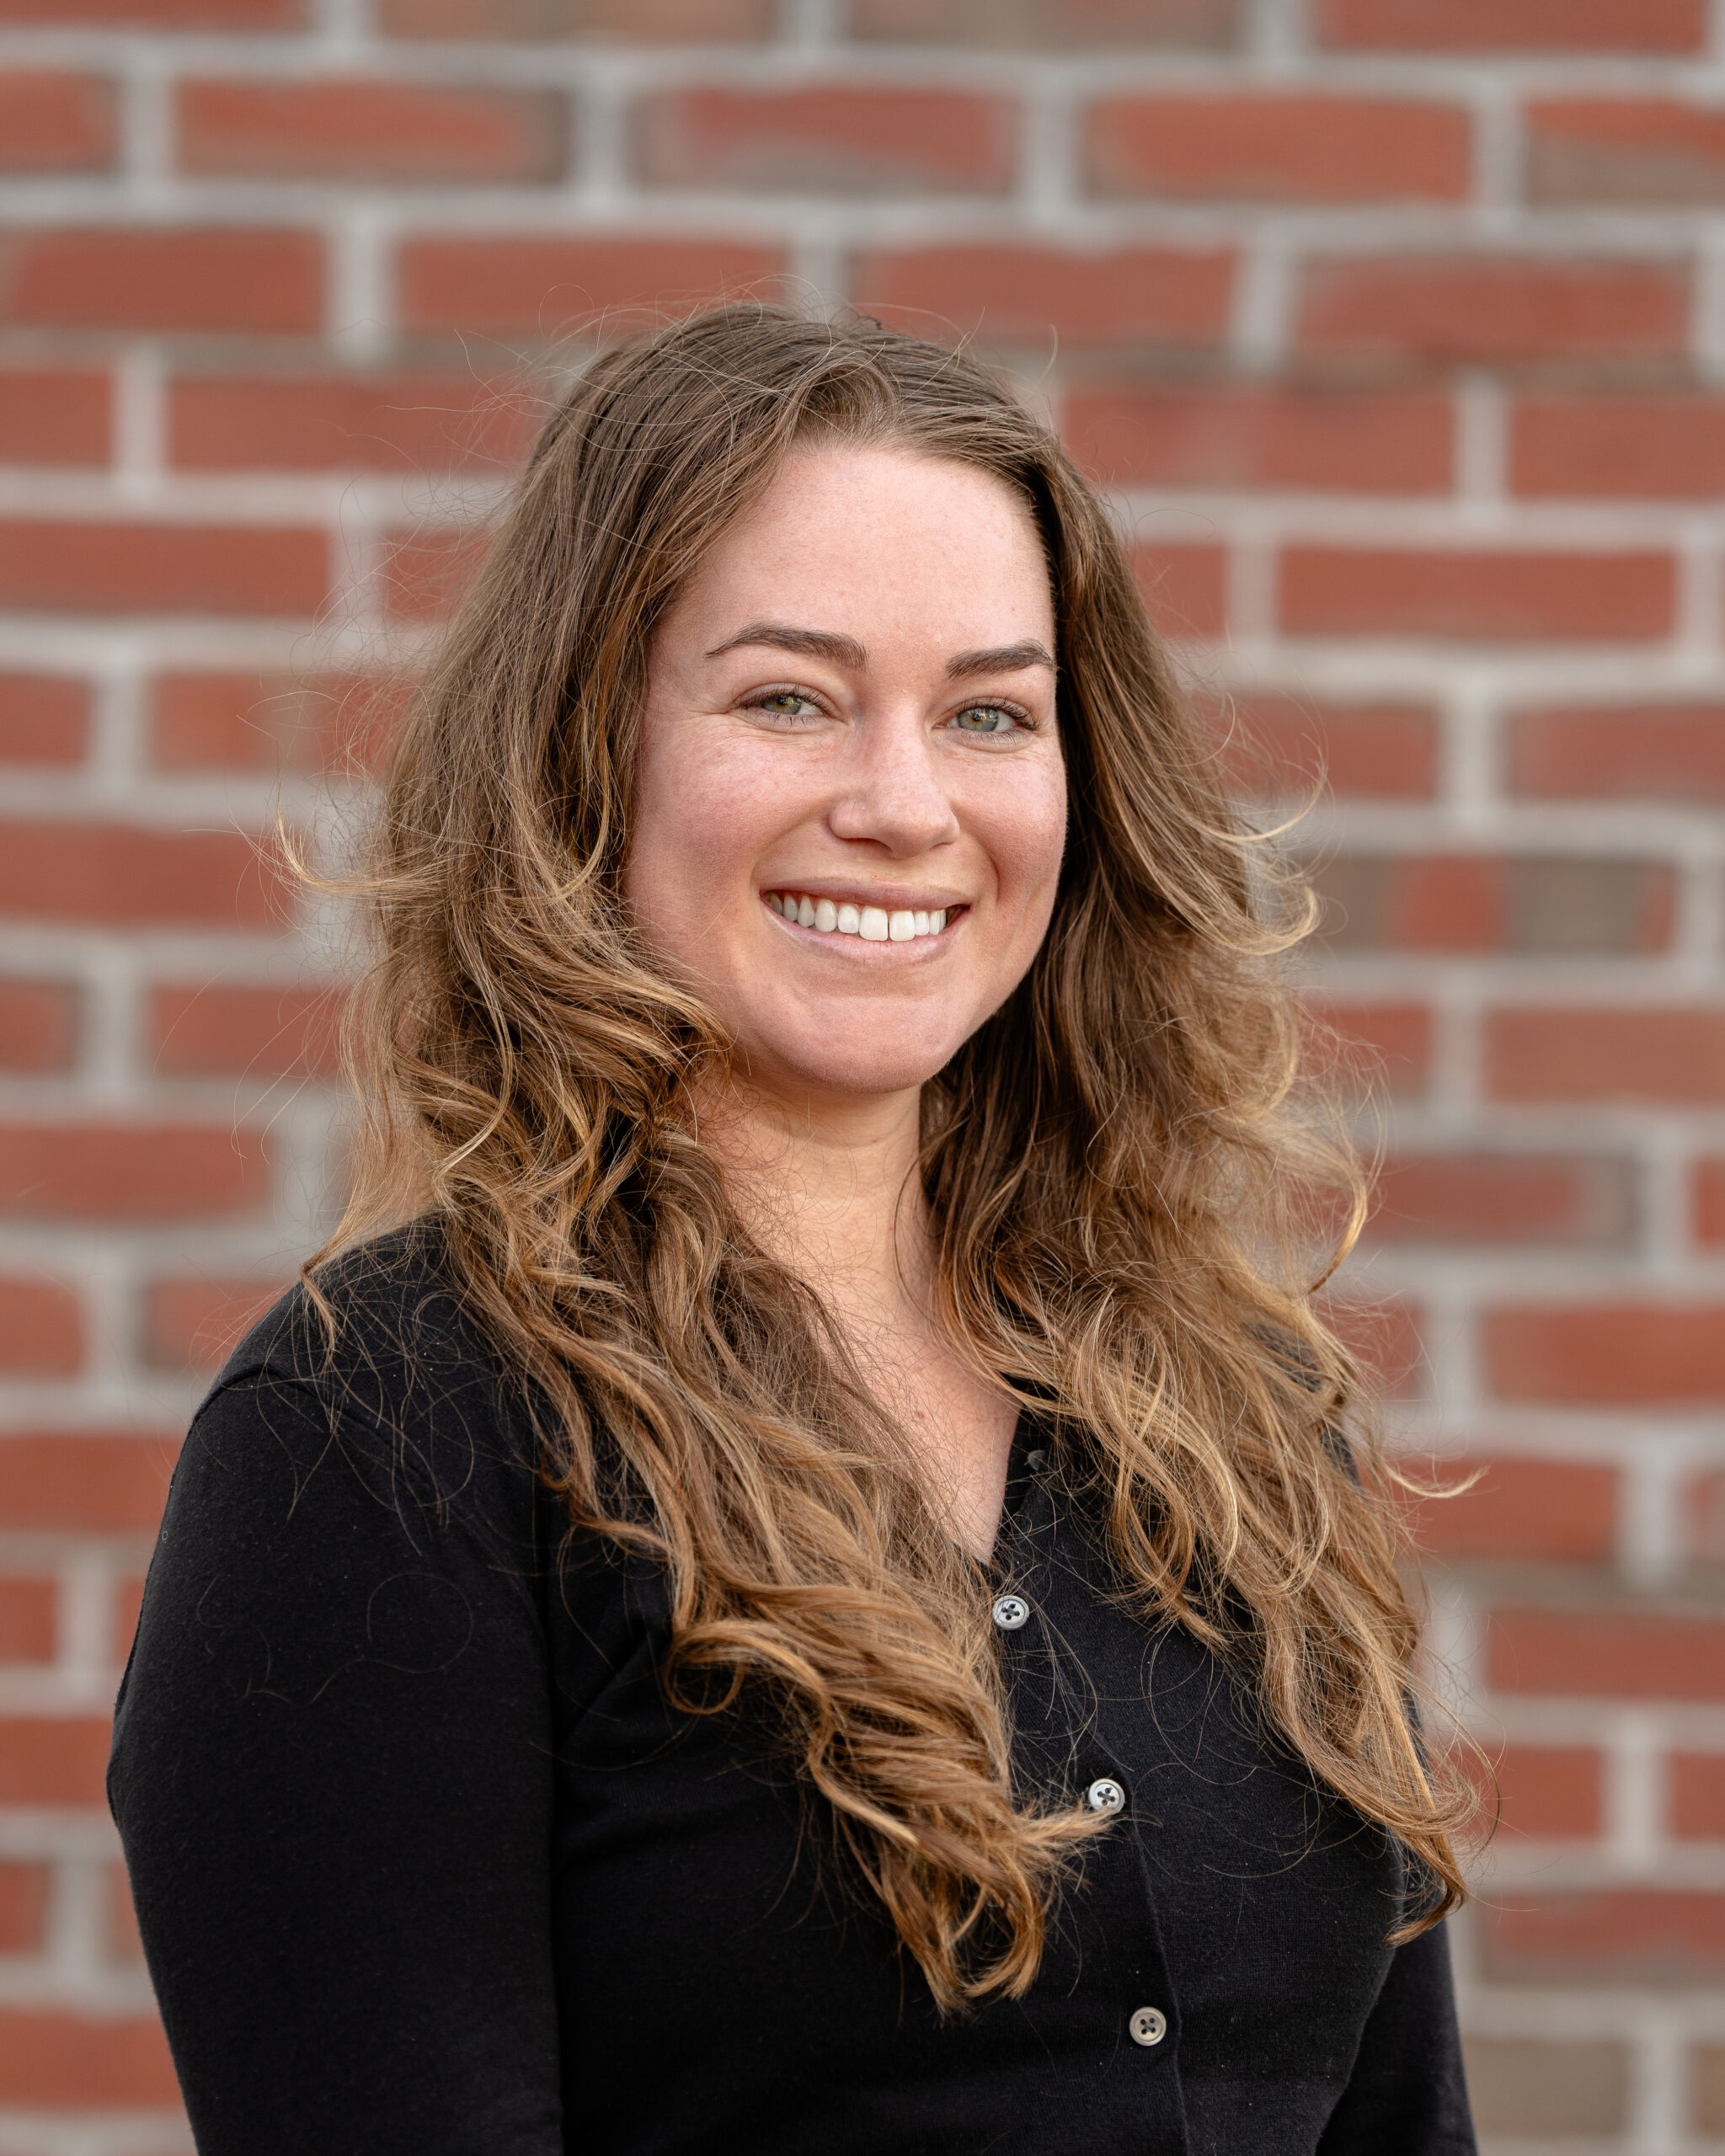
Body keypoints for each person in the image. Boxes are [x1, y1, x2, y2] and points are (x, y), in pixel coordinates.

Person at [109, 305, 1477, 2155]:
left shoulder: (1234, 1421)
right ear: (588, 754)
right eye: (787, 697)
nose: (902, 804)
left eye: (988, 710)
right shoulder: (380, 1438)